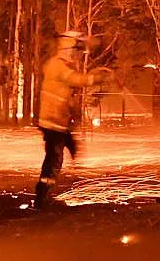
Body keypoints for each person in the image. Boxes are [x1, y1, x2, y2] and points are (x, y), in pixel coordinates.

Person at [33, 30, 114, 210]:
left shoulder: (61, 64)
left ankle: (70, 176)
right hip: (52, 121)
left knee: (69, 150)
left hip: (58, 121)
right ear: (68, 48)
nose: (77, 55)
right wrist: (98, 78)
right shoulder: (57, 65)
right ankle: (42, 198)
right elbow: (76, 80)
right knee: (54, 159)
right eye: (76, 51)